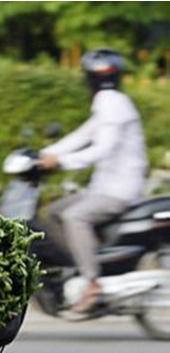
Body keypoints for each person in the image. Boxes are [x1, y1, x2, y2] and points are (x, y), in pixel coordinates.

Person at [39, 49, 148, 313]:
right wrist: (46, 154)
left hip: (118, 191)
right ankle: (82, 260)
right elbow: (84, 134)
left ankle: (92, 282)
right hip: (104, 188)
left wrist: (60, 161)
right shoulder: (113, 101)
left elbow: (102, 148)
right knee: (53, 212)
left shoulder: (110, 102)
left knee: (75, 217)